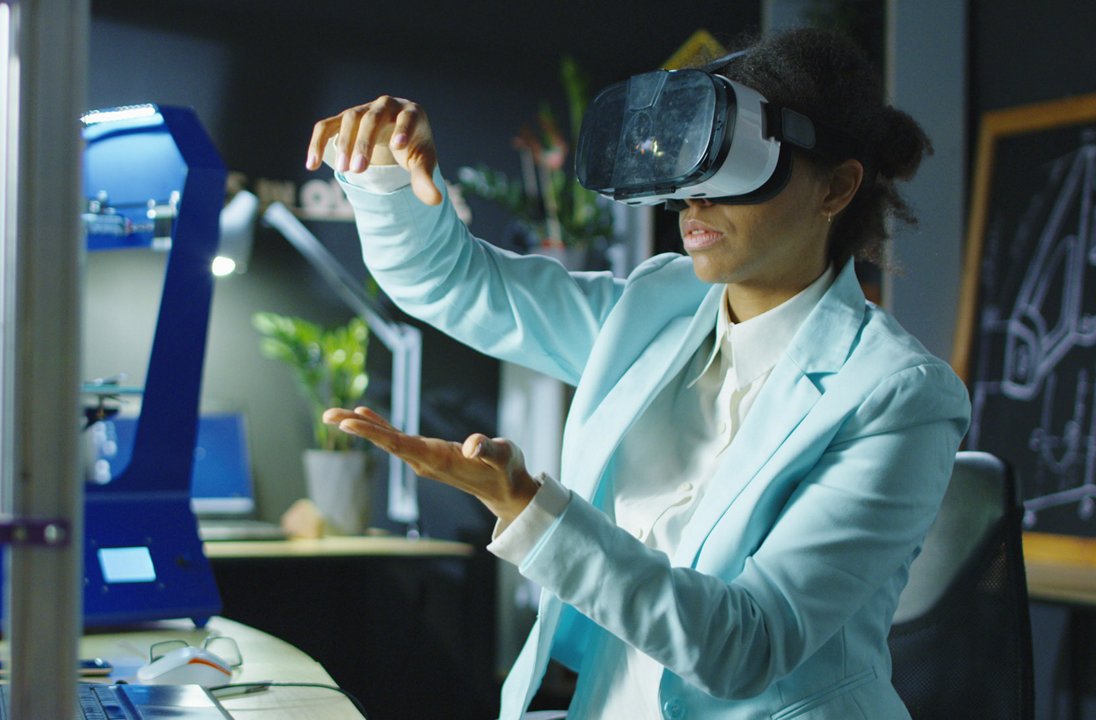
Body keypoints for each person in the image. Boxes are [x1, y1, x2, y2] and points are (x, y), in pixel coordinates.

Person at [306, 27, 970, 720]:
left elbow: (749, 643)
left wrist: (530, 507)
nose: (695, 197)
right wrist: (384, 171)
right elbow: (451, 283)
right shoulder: (658, 307)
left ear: (836, 188)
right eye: (693, 157)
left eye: (737, 160)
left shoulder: (899, 395)